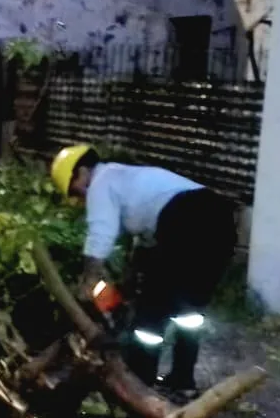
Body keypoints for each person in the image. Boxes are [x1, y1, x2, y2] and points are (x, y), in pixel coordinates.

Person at [50, 144, 237, 393]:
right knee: (189, 311)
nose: (79, 197)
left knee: (151, 311)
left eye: (75, 190)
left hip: (186, 220)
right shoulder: (129, 177)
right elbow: (147, 237)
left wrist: (89, 279)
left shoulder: (102, 182)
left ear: (82, 172)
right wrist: (129, 278)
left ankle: (139, 383)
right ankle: (182, 381)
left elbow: (100, 233)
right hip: (219, 222)